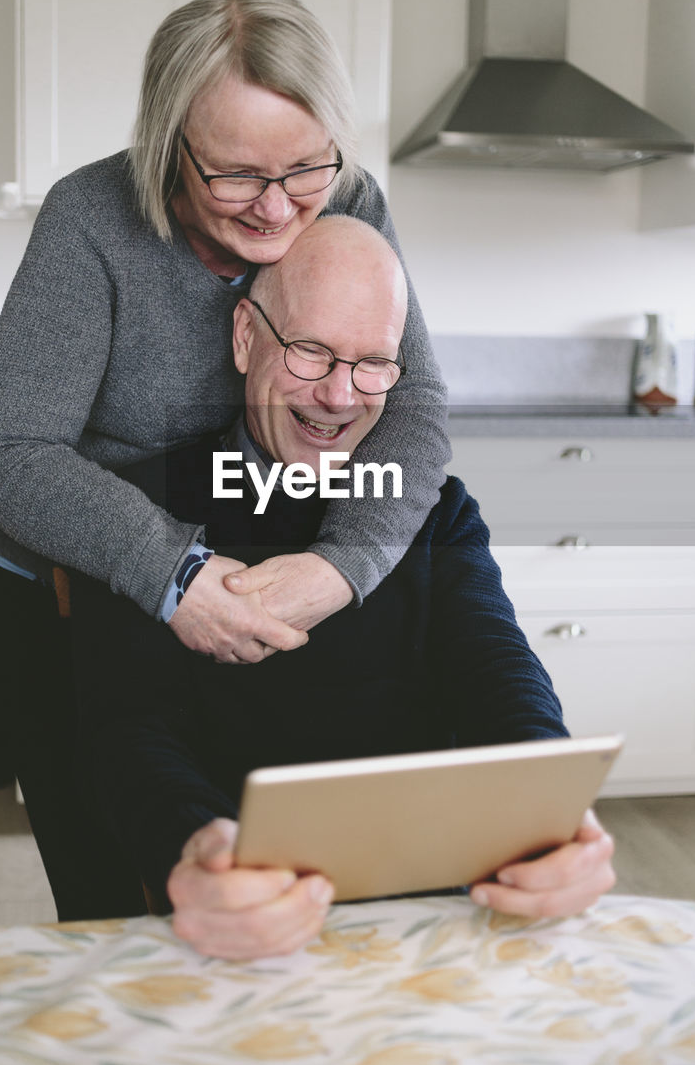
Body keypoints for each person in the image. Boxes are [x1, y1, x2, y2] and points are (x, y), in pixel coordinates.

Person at [0, 0, 451, 921]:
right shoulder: (90, 218)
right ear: (165, 143)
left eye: (305, 169)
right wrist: (174, 574)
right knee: (113, 890)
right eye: (235, 175)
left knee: (256, 872)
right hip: (68, 603)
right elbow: (10, 448)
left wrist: (343, 566)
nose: (278, 210)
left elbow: (412, 400)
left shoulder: (349, 198)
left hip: (254, 582)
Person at [70, 217, 616, 961]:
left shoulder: (432, 505)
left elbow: (496, 667)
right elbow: (128, 726)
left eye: (373, 364)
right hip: (241, 910)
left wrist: (553, 813)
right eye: (311, 352)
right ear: (244, 337)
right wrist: (195, 843)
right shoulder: (138, 509)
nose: (339, 395)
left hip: (441, 911)